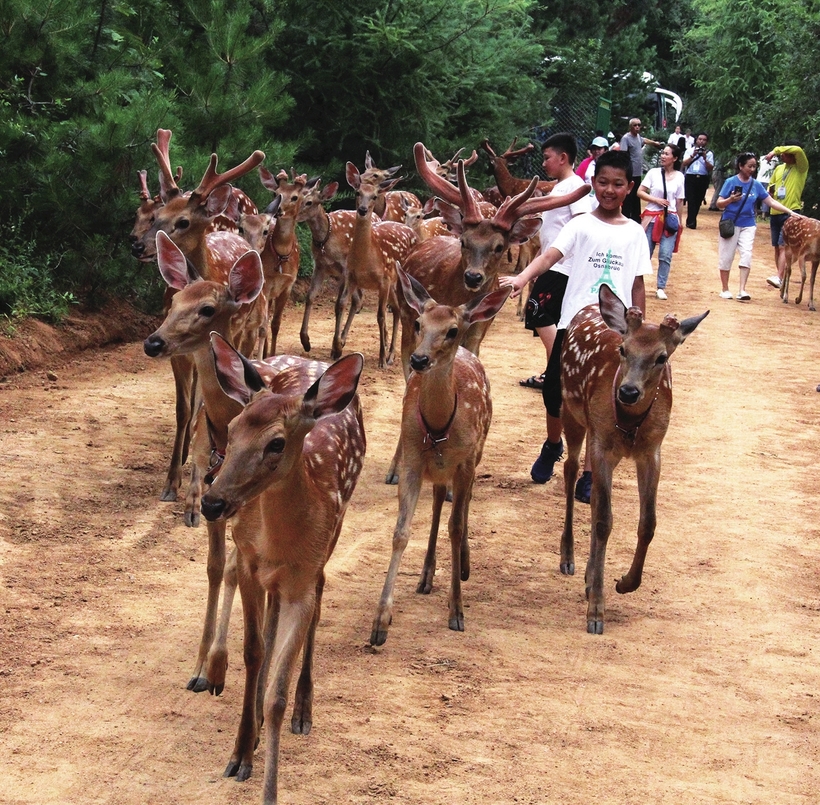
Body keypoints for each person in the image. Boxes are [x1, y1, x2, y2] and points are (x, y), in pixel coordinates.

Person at [499, 150, 650, 501]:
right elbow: (549, 256)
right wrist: (521, 279)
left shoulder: (634, 234)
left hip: (613, 330)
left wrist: (638, 329)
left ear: (629, 187)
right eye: (602, 183)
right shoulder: (579, 224)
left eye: (617, 184)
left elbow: (638, 283)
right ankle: (554, 445)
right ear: (592, 183)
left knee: (602, 401)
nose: (609, 190)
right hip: (574, 325)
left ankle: (588, 472)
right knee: (555, 391)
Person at [518, 133, 591, 400]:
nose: (544, 163)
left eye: (547, 158)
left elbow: (583, 223)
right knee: (548, 319)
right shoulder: (560, 188)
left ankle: (559, 371)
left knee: (538, 313)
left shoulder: (576, 187)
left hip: (563, 267)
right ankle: (555, 371)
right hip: (553, 265)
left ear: (563, 158)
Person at [716, 152, 804, 301]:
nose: (752, 169)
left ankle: (742, 290)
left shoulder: (755, 184)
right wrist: (730, 199)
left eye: (754, 166)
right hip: (730, 224)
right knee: (726, 257)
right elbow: (719, 204)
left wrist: (790, 212)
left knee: (747, 254)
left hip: (748, 224)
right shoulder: (730, 182)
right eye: (749, 166)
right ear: (740, 166)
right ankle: (725, 289)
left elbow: (770, 202)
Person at [638, 143, 685, 300]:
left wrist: (680, 221)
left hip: (669, 218)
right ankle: (636, 284)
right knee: (645, 253)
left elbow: (679, 201)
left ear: (675, 158)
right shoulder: (653, 173)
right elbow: (640, 192)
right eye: (662, 153)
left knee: (665, 254)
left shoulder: (679, 176)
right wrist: (656, 199)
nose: (663, 156)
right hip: (652, 217)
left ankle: (660, 287)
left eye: (666, 154)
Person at [763, 141, 809, 289]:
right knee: (777, 246)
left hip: (791, 212)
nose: (782, 155)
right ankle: (780, 277)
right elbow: (771, 187)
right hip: (775, 212)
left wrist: (774, 151)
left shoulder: (801, 167)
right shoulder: (779, 169)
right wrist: (771, 192)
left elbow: (798, 149)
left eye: (785, 153)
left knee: (784, 246)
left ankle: (779, 277)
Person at [619, 118, 663, 223]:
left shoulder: (638, 137)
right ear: (630, 127)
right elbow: (623, 155)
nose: (637, 127)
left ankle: (636, 217)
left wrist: (655, 143)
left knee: (636, 195)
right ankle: (626, 217)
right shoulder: (626, 138)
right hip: (630, 172)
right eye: (635, 125)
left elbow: (645, 140)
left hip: (638, 172)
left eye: (639, 125)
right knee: (629, 196)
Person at [681, 132, 714, 229]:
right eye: (700, 139)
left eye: (704, 140)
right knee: (690, 199)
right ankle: (691, 222)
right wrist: (693, 155)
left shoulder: (709, 153)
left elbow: (710, 168)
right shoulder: (689, 150)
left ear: (706, 142)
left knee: (698, 200)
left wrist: (705, 158)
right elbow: (684, 163)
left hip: (702, 177)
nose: (701, 141)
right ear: (696, 140)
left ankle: (691, 219)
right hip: (690, 176)